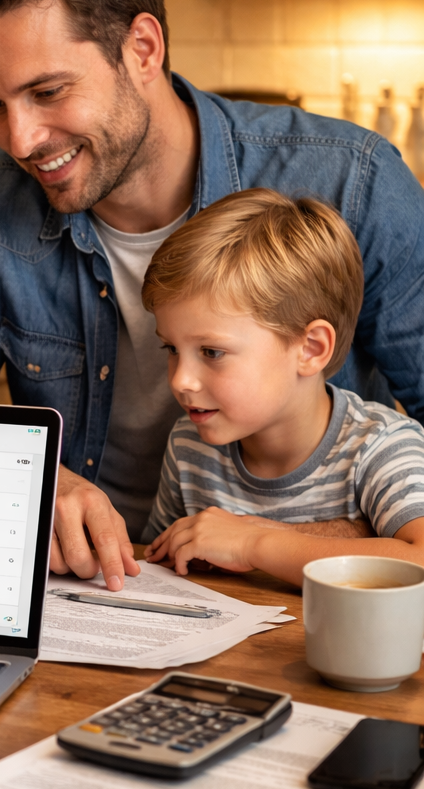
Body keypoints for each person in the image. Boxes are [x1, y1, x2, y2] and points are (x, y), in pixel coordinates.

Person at [0, 0, 424, 591]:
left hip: (295, 606)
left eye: (47, 91)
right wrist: (28, 478)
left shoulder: (351, 181)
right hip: (95, 593)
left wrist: (292, 539)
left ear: (143, 49)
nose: (21, 140)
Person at [141, 189, 424, 587]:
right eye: (171, 348)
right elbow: (159, 566)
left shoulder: (381, 447)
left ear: (310, 349)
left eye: (212, 351)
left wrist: (254, 542)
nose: (180, 380)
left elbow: (420, 559)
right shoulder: (189, 447)